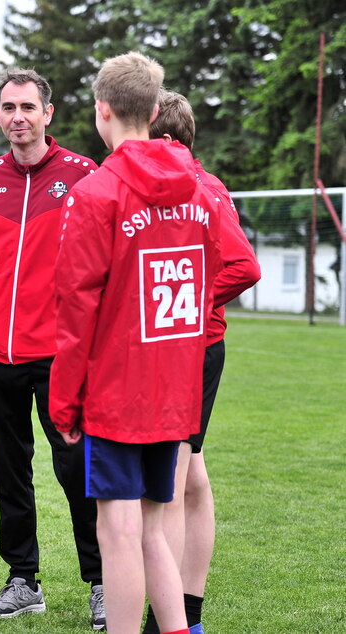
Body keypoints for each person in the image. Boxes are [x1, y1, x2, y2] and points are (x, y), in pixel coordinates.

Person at [49, 52, 224, 634]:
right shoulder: (198, 191)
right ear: (153, 111)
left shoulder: (95, 193)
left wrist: (64, 401)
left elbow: (75, 310)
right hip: (177, 386)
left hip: (119, 392)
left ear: (102, 110)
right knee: (154, 526)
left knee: (118, 531)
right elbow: (222, 269)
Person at [0, 68, 104, 628]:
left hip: (60, 354)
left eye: (27, 107)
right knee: (9, 472)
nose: (17, 117)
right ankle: (24, 579)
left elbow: (99, 262)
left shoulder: (83, 176)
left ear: (48, 114)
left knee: (76, 469)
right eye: (7, 107)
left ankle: (102, 580)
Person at [140, 89, 261, 634]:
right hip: (178, 349)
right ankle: (188, 612)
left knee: (170, 483)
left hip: (189, 351)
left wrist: (183, 300)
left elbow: (244, 266)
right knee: (192, 480)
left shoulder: (199, 186)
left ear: (161, 136)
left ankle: (169, 618)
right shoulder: (179, 183)